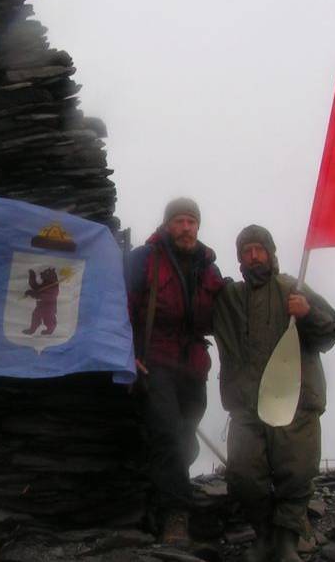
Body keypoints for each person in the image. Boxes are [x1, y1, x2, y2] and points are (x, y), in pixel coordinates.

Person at [212, 225, 335, 562]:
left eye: (259, 250)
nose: (254, 256)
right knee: (243, 475)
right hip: (247, 406)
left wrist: (308, 314)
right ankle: (265, 537)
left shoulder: (293, 288)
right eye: (247, 251)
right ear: (240, 258)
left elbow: (331, 331)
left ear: (270, 254)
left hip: (295, 401)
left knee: (296, 473)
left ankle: (287, 542)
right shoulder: (229, 298)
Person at [127, 198, 226, 545]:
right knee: (168, 434)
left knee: (184, 439)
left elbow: (222, 312)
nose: (186, 228)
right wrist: (127, 354)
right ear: (168, 224)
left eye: (191, 222)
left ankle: (157, 500)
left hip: (193, 367)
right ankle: (176, 516)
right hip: (154, 362)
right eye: (180, 221)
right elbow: (121, 306)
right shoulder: (144, 259)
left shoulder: (208, 268)